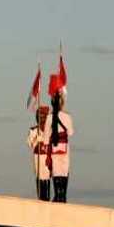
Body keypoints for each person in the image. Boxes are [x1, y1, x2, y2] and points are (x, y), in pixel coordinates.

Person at [44, 74, 74, 203]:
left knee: (56, 172)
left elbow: (46, 136)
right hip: (64, 147)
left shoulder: (50, 117)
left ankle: (57, 195)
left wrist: (47, 150)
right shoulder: (67, 117)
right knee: (64, 172)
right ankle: (63, 196)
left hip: (55, 147)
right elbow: (71, 132)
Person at [28, 106, 51, 201]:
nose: (42, 118)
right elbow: (30, 143)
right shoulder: (33, 130)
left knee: (47, 178)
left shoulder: (50, 130)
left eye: (44, 116)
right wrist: (36, 139)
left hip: (47, 156)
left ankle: (47, 197)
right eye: (40, 116)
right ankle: (40, 197)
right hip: (38, 157)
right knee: (39, 177)